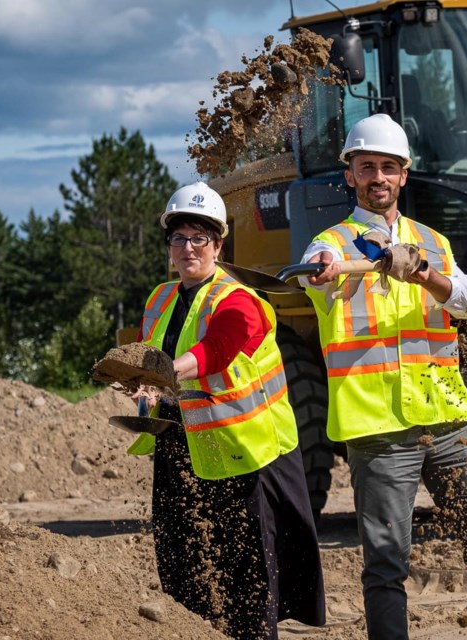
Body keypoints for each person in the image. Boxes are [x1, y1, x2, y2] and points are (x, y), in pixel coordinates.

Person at [300, 113, 467, 640]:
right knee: (386, 567)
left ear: (403, 175)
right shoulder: (329, 244)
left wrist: (424, 273)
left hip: (447, 421)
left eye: (388, 167)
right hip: (378, 433)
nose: (378, 177)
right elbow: (319, 268)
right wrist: (332, 268)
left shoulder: (434, 243)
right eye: (367, 166)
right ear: (351, 175)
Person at [127, 182, 325, 640]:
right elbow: (152, 361)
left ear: (219, 244)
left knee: (248, 584)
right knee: (184, 577)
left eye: (200, 238)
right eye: (179, 237)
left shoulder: (241, 300)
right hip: (181, 450)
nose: (188, 247)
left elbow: (217, 350)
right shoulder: (159, 300)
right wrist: (145, 390)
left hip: (244, 456)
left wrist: (164, 372)